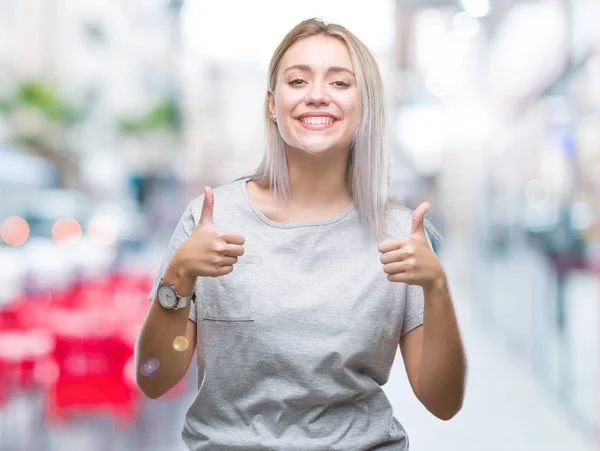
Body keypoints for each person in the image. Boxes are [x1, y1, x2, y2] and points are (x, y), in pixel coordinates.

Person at [135, 17, 467, 451]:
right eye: (297, 80)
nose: (316, 95)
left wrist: (436, 287)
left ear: (365, 105)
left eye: (340, 83)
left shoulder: (400, 234)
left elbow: (443, 402)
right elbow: (155, 378)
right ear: (273, 103)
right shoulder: (210, 221)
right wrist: (178, 279)